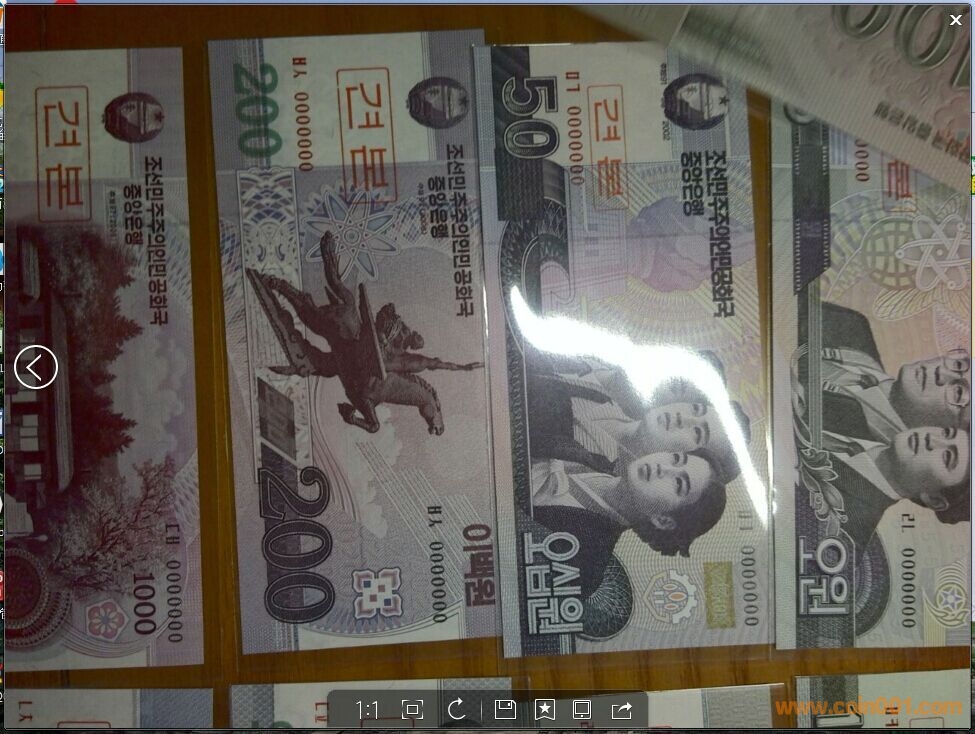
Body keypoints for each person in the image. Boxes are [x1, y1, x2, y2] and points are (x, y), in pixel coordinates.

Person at [529, 449, 727, 597]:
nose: (663, 468)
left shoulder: (584, 565)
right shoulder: (591, 453)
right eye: (676, 459)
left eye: (678, 483)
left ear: (663, 520)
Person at [809, 302, 971, 442]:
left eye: (959, 391)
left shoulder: (858, 449)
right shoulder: (848, 324)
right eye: (959, 364)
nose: (941, 373)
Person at [812, 426, 970, 552]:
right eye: (947, 433)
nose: (931, 439)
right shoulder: (854, 412)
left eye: (947, 457)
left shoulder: (845, 535)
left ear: (933, 499)